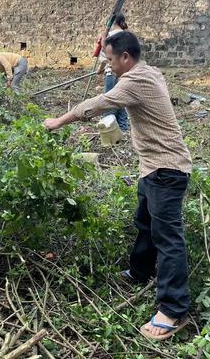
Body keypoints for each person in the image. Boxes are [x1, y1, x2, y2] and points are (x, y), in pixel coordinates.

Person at [43, 31, 192, 341]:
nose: (107, 66)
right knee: (145, 223)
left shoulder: (136, 81)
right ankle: (140, 273)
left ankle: (174, 309)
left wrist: (58, 121)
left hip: (167, 169)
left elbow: (101, 102)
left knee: (168, 239)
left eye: (110, 60)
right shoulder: (148, 70)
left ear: (126, 57)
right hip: (152, 167)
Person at [96, 13, 129, 131]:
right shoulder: (127, 36)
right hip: (125, 74)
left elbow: (105, 58)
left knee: (109, 103)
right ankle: (123, 128)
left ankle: (109, 131)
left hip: (112, 73)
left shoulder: (109, 37)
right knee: (120, 100)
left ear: (112, 22)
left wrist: (99, 70)